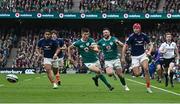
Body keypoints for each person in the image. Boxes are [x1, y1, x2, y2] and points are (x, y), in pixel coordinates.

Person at [121, 23, 153, 93]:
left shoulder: (144, 35)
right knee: (137, 74)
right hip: (134, 57)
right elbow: (124, 46)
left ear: (140, 29)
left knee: (146, 69)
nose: (136, 29)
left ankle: (148, 87)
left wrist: (149, 51)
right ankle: (140, 68)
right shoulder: (131, 36)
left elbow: (151, 44)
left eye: (137, 28)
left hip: (142, 55)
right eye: (134, 28)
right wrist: (123, 56)